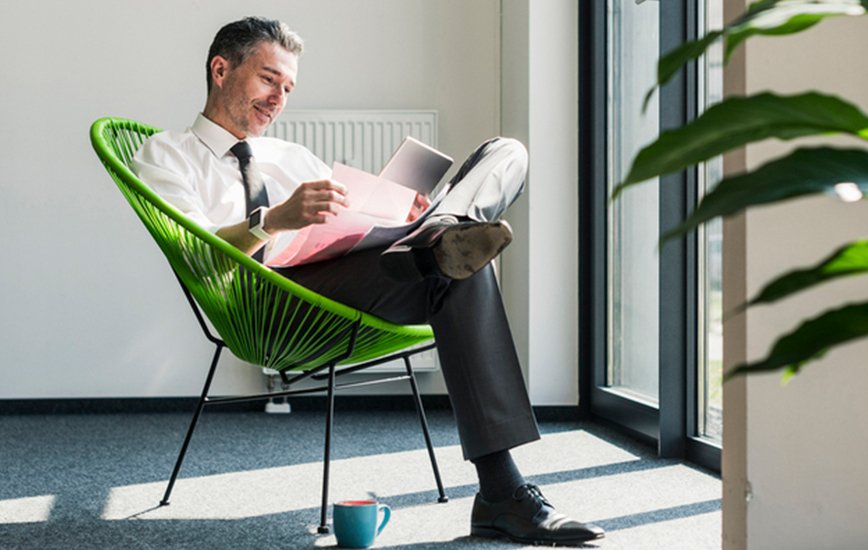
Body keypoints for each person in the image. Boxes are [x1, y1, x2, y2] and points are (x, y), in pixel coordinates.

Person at [133, 16, 603, 546]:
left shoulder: (291, 156)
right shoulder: (166, 154)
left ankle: (439, 234)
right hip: (274, 303)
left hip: (362, 274)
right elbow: (198, 255)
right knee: (453, 269)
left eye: (287, 88)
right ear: (221, 69)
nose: (278, 98)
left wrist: (402, 210)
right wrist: (275, 221)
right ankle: (502, 491)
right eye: (269, 80)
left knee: (505, 154)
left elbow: (350, 224)